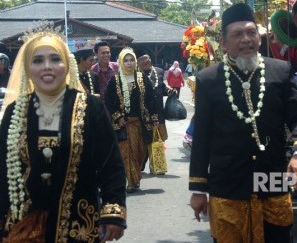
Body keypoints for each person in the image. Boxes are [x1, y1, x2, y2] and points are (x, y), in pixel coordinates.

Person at [189, 3, 297, 243]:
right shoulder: (207, 80)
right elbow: (202, 137)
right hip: (227, 186)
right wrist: (198, 190)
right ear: (224, 43)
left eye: (251, 32)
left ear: (259, 37)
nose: (246, 39)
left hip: (273, 181)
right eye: (237, 34)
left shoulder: (280, 71)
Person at [0, 32, 127, 242]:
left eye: (55, 59)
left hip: (79, 225)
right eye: (38, 60)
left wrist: (113, 212)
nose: (47, 66)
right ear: (27, 68)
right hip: (23, 227)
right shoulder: (15, 111)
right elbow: (3, 170)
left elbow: (110, 163)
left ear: (67, 64)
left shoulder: (92, 109)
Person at [105, 48, 158, 193]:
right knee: (126, 153)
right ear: (121, 62)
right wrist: (118, 117)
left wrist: (154, 119)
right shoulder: (115, 80)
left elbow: (151, 99)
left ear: (135, 62)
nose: (129, 63)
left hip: (140, 124)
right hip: (123, 125)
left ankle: (135, 176)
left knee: (140, 153)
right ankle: (131, 181)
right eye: (126, 60)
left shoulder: (142, 78)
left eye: (131, 60)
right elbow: (109, 100)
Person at [137, 54, 176, 175]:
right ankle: (139, 166)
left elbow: (161, 87)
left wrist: (170, 91)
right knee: (143, 141)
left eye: (147, 58)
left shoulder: (159, 71)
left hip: (158, 113)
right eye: (142, 59)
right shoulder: (134, 74)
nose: (145, 61)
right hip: (142, 114)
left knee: (157, 140)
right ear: (138, 62)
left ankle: (157, 166)